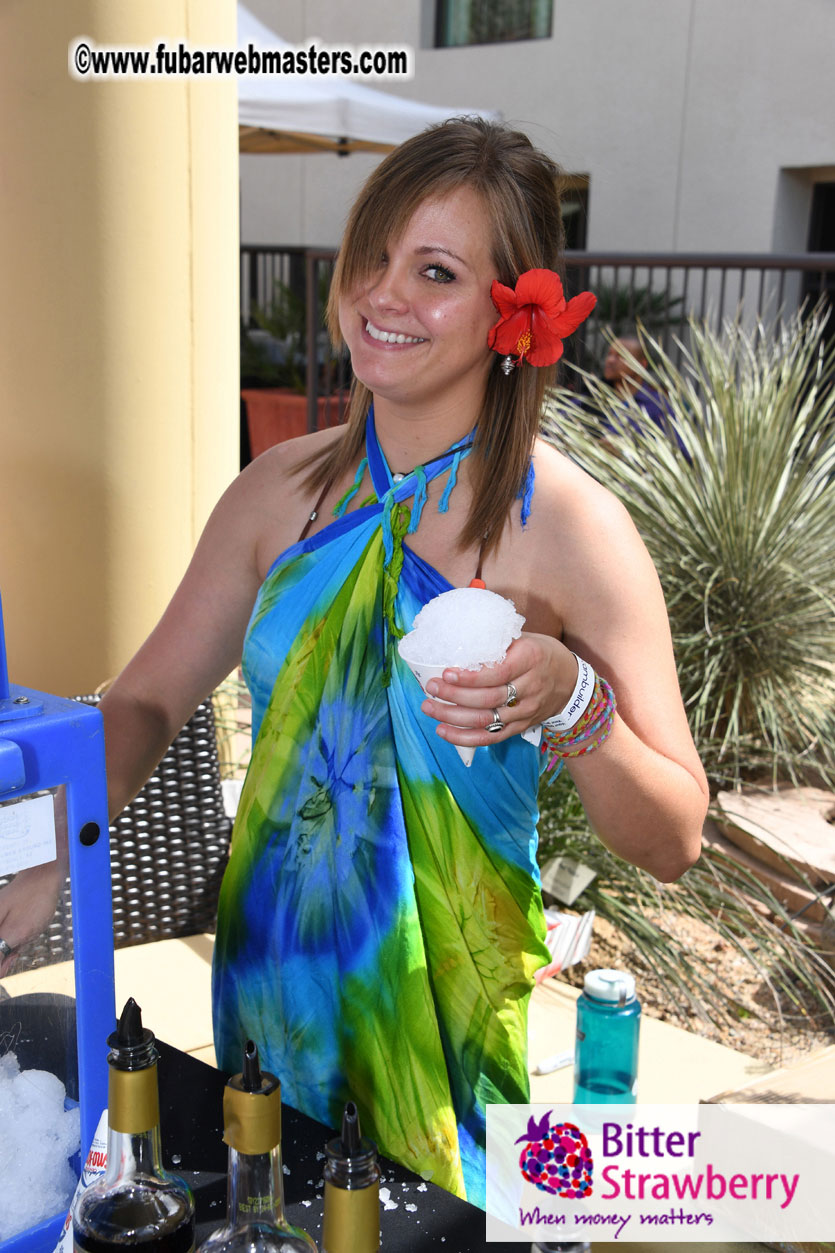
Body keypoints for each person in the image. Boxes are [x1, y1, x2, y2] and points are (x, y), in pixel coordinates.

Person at [0, 118, 708, 1208]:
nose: (384, 293)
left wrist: (576, 701)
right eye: (372, 255)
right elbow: (145, 697)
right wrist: (53, 827)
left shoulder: (571, 528)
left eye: (436, 270)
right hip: (266, 1015)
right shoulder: (274, 493)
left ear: (510, 311)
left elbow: (673, 834)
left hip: (450, 1046)